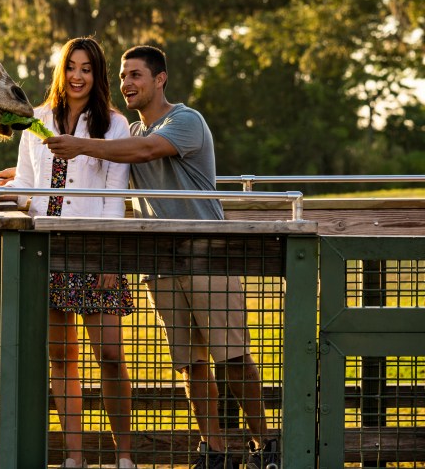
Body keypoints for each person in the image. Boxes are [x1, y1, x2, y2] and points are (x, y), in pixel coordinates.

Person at [44, 45, 280, 469]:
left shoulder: (184, 121)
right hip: (163, 264)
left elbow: (144, 153)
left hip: (208, 255)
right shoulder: (127, 133)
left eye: (136, 75)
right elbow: (92, 169)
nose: (127, 84)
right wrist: (10, 179)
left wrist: (78, 144)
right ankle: (216, 451)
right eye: (122, 76)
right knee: (190, 364)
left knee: (233, 357)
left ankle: (268, 445)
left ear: (160, 79)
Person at [0, 37, 136, 469]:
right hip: (47, 250)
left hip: (94, 251)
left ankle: (125, 457)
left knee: (112, 357)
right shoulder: (36, 120)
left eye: (87, 69)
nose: (78, 76)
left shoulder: (113, 126)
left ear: (97, 77)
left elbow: (115, 196)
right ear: (61, 71)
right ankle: (75, 458)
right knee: (62, 359)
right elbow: (27, 183)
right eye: (72, 66)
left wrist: (111, 260)